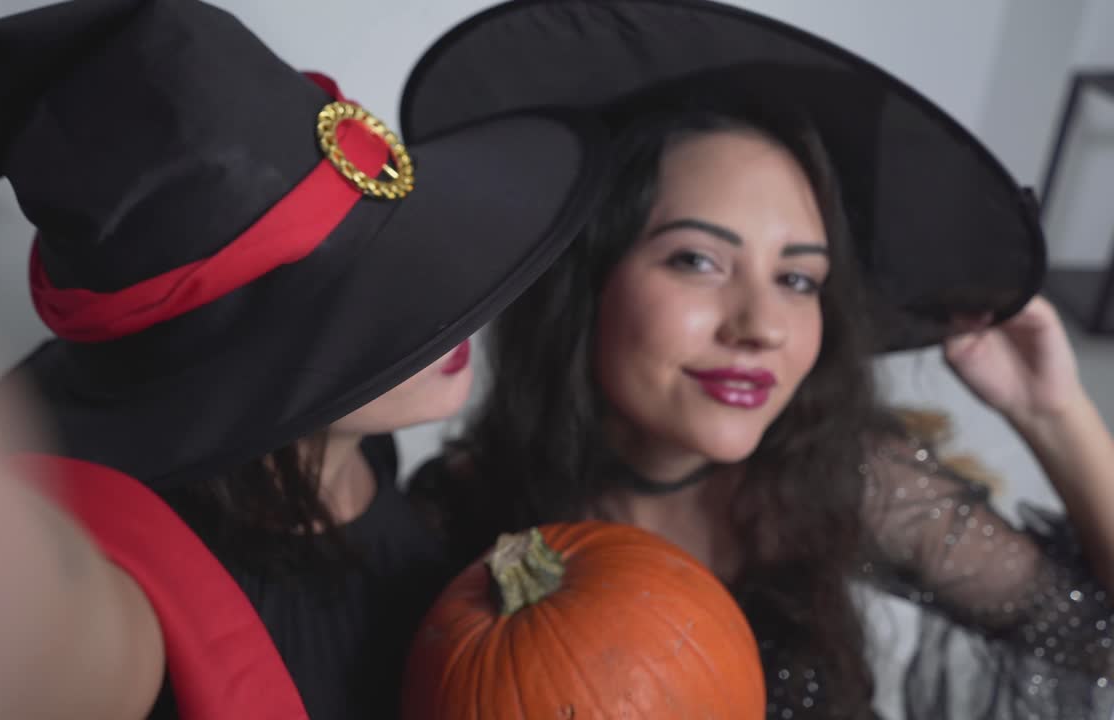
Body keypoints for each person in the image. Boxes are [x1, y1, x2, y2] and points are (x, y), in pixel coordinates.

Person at [0, 0, 606, 718]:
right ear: (240, 367)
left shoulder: (368, 452)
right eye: (373, 307)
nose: (447, 310)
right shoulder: (133, 596)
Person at [400, 1, 1114, 718]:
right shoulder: (456, 520)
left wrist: (1054, 414)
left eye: (798, 279)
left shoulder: (846, 479)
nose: (762, 326)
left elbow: (1099, 641)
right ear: (585, 283)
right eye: (698, 261)